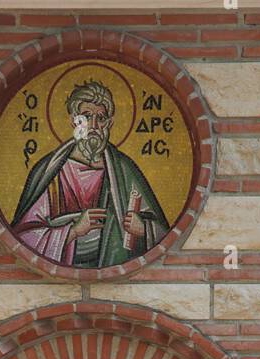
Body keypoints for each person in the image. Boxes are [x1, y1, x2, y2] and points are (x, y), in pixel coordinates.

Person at [11, 79, 170, 269]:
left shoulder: (123, 169)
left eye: (101, 118)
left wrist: (144, 229)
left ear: (109, 123)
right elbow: (24, 237)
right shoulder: (52, 170)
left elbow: (166, 236)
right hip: (61, 264)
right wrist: (75, 230)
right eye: (86, 117)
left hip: (112, 264)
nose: (94, 125)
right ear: (74, 120)